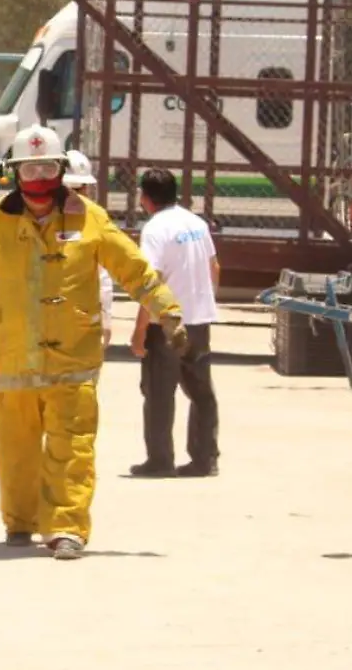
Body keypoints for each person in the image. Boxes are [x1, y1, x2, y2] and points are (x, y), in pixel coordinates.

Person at [0, 126, 185, 560]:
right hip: (12, 360)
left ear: (62, 170)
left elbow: (134, 268)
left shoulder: (90, 219)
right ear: (13, 173)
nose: (39, 177)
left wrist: (166, 311)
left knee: (73, 448)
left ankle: (67, 528)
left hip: (72, 359)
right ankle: (19, 522)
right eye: (30, 167)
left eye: (47, 166)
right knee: (15, 450)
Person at [131, 167, 222, 478]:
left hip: (167, 323)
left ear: (145, 198)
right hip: (199, 320)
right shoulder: (196, 223)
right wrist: (205, 303)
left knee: (159, 392)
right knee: (201, 392)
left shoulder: (155, 230)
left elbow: (151, 282)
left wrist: (140, 329)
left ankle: (160, 460)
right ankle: (204, 458)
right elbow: (214, 267)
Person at [63, 150, 116, 348]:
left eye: (80, 189)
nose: (77, 196)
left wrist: (106, 317)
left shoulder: (95, 219)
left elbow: (102, 276)